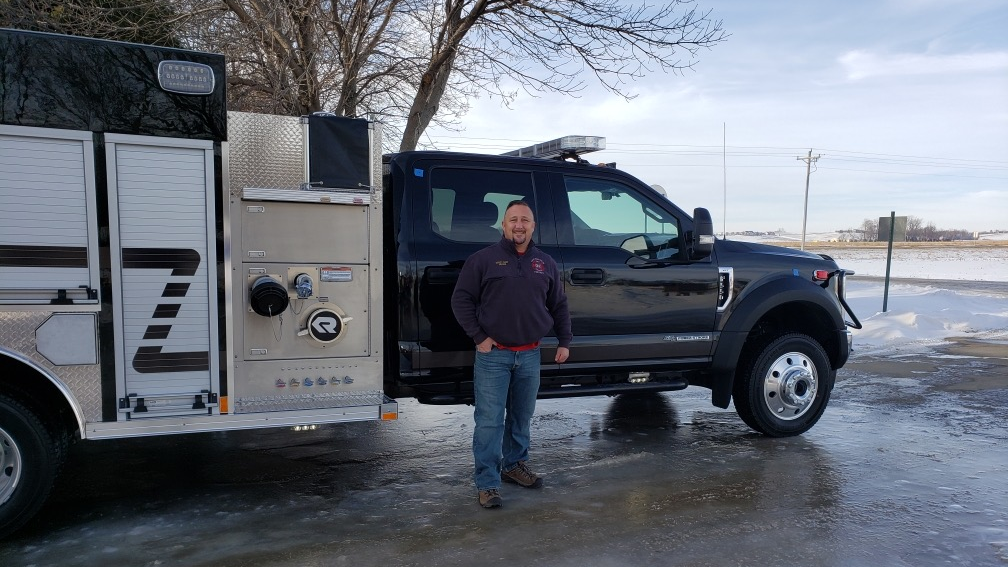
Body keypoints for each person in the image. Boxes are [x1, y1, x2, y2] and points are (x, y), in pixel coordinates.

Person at [451, 200, 572, 509]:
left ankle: (514, 466)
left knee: (521, 418)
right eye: (513, 220)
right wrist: (480, 337)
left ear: (533, 226)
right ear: (503, 226)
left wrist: (564, 341)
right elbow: (461, 299)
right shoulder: (483, 260)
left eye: (525, 220)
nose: (519, 225)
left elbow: (558, 305)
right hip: (494, 356)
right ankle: (488, 483)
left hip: (530, 354)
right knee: (490, 421)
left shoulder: (544, 263)